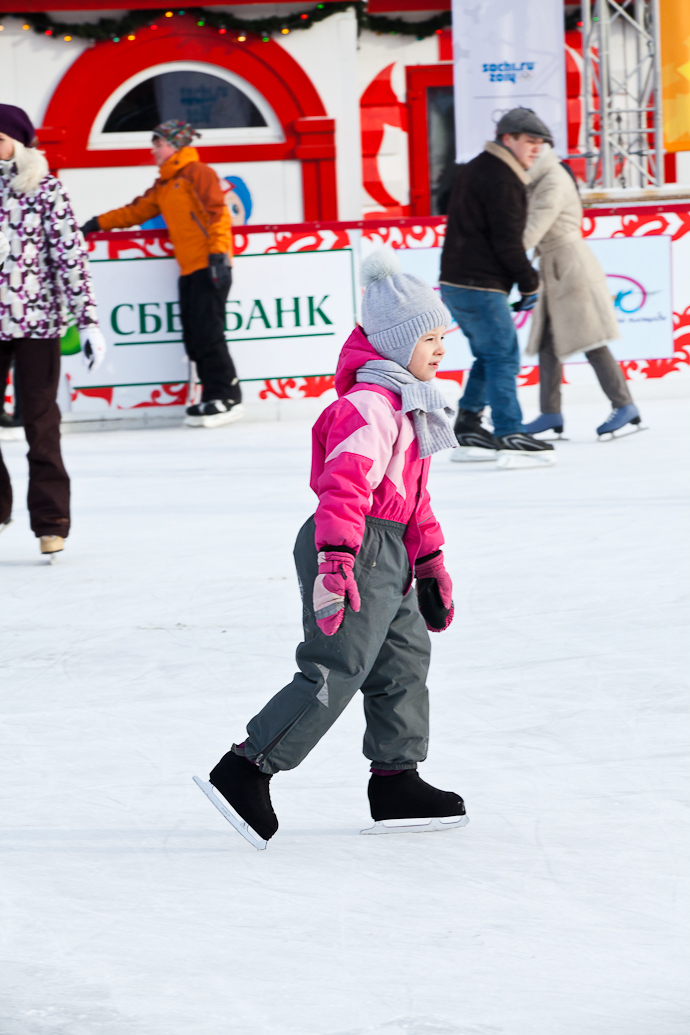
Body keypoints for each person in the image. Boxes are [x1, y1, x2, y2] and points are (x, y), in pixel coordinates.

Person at [195, 251, 468, 846]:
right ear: (396, 344)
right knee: (337, 666)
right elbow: (344, 485)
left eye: (442, 336)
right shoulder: (368, 405)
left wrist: (429, 563)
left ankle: (396, 778)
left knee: (403, 665)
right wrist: (337, 560)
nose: (440, 349)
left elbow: (413, 498)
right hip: (353, 543)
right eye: (429, 338)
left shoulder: (410, 403)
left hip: (390, 547)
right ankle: (246, 767)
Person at [80, 120, 242, 430]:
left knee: (209, 335)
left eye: (158, 143)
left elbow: (217, 213)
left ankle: (229, 396)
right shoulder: (166, 184)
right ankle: (212, 396)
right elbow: (136, 211)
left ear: (176, 145)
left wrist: (219, 255)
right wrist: (96, 223)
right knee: (194, 338)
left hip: (210, 264)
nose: (153, 149)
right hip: (189, 269)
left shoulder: (198, 173)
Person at [0, 105, 106, 555]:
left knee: (40, 422)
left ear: (18, 142)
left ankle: (50, 522)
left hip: (35, 322)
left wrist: (87, 322)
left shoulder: (44, 189)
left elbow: (70, 260)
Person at [439, 107, 555, 462]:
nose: (536, 149)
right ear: (508, 138)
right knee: (503, 356)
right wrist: (530, 282)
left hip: (458, 281)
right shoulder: (503, 176)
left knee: (490, 356)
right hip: (479, 283)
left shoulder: (477, 167)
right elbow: (507, 243)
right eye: (530, 141)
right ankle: (509, 431)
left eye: (541, 143)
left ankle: (469, 424)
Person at [521, 145, 641, 438]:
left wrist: (503, 256)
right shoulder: (539, 177)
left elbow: (534, 227)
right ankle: (550, 413)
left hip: (569, 267)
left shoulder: (551, 179)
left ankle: (624, 405)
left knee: (591, 338)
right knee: (548, 342)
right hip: (555, 266)